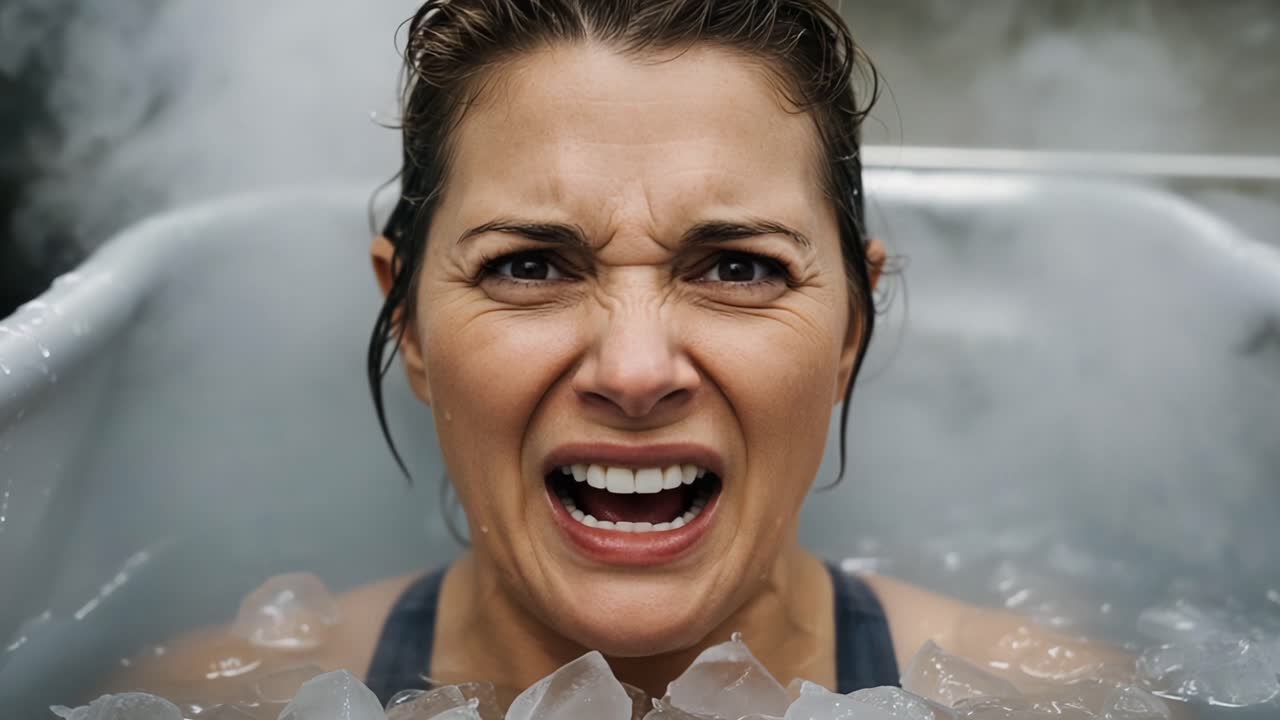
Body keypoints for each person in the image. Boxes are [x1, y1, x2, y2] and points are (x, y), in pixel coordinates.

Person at [110, 0, 1138, 710]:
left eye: (736, 268)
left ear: (849, 332)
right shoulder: (205, 703)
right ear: (411, 324)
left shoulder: (1063, 705)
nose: (636, 371)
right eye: (529, 266)